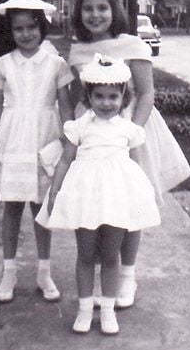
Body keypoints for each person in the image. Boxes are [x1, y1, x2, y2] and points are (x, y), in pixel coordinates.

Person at [61, 0, 190, 308]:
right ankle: (105, 272)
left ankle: (127, 276)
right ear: (79, 13)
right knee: (99, 203)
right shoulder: (77, 50)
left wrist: (130, 134)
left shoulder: (132, 44)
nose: (95, 15)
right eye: (88, 8)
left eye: (102, 8)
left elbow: (146, 93)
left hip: (133, 128)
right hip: (93, 133)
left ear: (113, 10)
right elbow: (80, 94)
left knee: (129, 204)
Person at [36, 54, 160, 335]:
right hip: (86, 197)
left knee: (110, 254)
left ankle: (106, 310)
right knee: (85, 254)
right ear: (88, 97)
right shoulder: (79, 127)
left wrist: (140, 194)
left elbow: (136, 164)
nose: (106, 103)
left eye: (113, 97)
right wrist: (55, 190)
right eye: (99, 96)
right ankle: (83, 309)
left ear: (123, 97)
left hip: (116, 197)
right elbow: (66, 160)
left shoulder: (129, 130)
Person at [0, 0, 74, 302]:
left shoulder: (56, 64)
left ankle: (44, 271)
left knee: (42, 206)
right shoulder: (3, 64)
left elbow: (65, 107)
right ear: (11, 31)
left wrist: (69, 141)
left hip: (45, 137)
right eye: (19, 29)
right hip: (13, 139)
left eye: (31, 27)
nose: (26, 34)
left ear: (41, 27)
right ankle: (9, 271)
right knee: (12, 206)